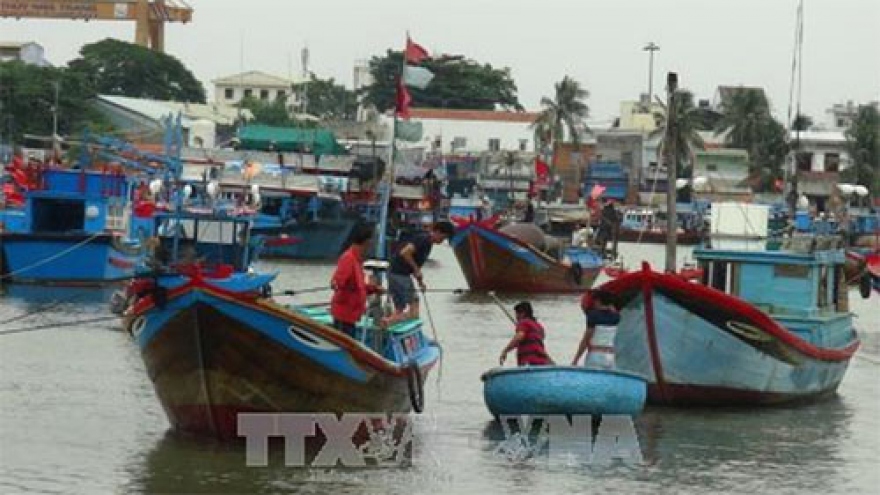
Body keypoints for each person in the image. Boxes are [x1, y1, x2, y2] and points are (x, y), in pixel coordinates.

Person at [384, 221, 456, 325]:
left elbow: (415, 266)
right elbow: (405, 252)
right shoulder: (424, 240)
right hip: (399, 275)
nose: (442, 241)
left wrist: (420, 282)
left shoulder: (428, 243)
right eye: (443, 237)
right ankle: (386, 322)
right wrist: (417, 270)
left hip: (395, 273)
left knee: (400, 309)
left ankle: (388, 323)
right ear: (437, 232)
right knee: (414, 311)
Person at [330, 224, 383, 338]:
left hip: (352, 316)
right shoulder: (348, 258)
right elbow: (336, 282)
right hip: (343, 316)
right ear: (366, 242)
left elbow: (358, 285)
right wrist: (338, 284)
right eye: (371, 241)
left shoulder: (357, 260)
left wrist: (373, 289)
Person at [572, 290, 620, 369]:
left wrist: (576, 359)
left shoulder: (593, 316)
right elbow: (613, 310)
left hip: (595, 354)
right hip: (610, 355)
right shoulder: (616, 317)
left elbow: (586, 340)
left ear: (598, 301)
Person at [499, 301, 553, 366]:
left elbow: (519, 337)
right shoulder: (539, 326)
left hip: (529, 362)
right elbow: (538, 343)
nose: (516, 317)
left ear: (523, 313)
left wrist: (505, 351)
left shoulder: (524, 323)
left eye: (517, 314)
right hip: (542, 361)